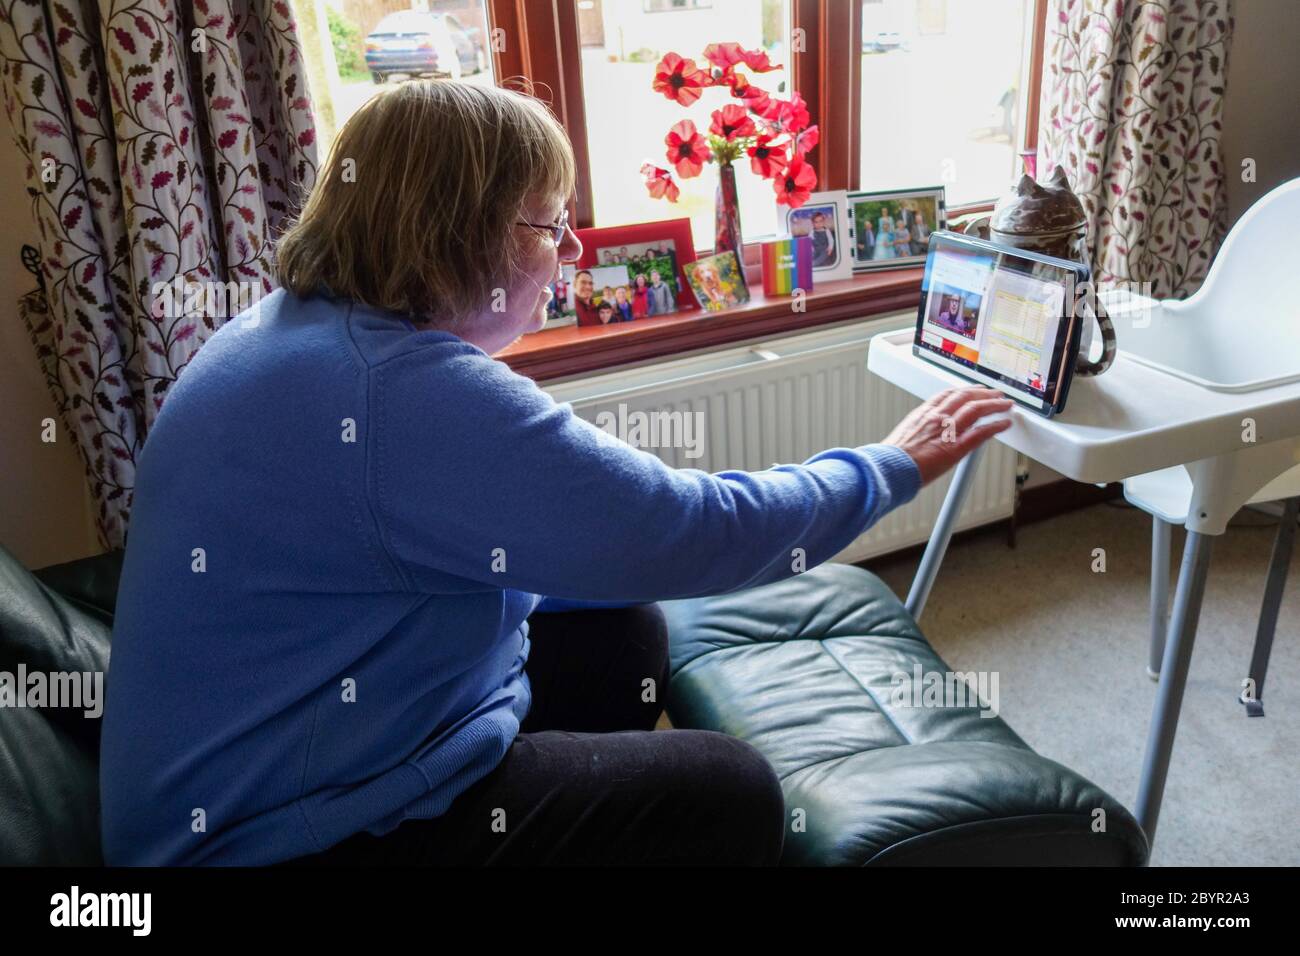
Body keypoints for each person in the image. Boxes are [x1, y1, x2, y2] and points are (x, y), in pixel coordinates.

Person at [100, 79, 1012, 867]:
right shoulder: (400, 395)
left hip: (303, 755)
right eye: (550, 224)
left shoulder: (299, 333)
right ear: (464, 235)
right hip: (284, 841)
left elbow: (578, 540)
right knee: (727, 790)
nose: (571, 252)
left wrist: (611, 554)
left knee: (621, 630)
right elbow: (688, 529)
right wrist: (894, 463)